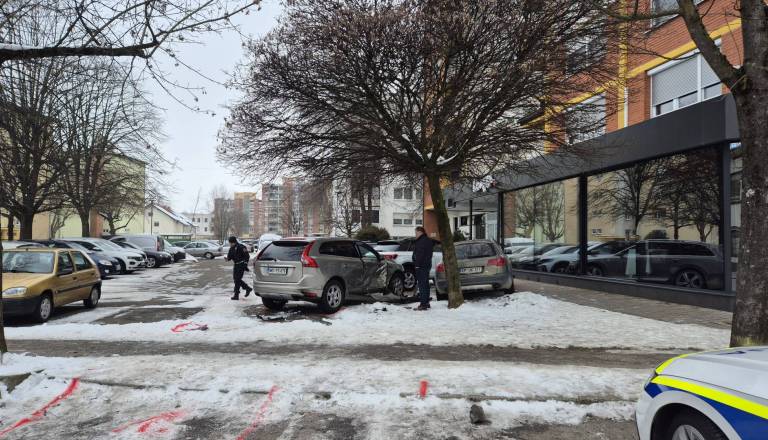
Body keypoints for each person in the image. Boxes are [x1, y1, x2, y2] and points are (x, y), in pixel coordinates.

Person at [412, 226, 434, 311]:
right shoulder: (428, 240)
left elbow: (420, 254)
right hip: (427, 264)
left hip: (421, 266)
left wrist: (417, 264)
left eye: (416, 233)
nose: (415, 235)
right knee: (425, 284)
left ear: (420, 232)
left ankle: (423, 304)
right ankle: (426, 302)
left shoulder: (421, 241)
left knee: (422, 285)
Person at [225, 236, 252, 300]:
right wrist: (227, 259)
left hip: (241, 265)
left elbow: (247, 256)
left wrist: (245, 264)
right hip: (236, 265)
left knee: (237, 279)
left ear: (234, 242)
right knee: (236, 279)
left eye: (231, 243)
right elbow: (230, 257)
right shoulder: (231, 248)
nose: (230, 244)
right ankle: (247, 288)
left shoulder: (241, 247)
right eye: (230, 243)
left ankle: (236, 295)